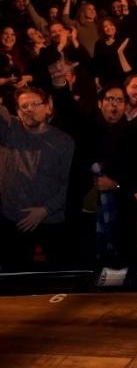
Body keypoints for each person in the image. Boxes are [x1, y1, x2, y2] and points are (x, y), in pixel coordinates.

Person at [0, 86, 75, 270]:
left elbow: (70, 185)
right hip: (12, 220)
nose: (29, 109)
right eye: (24, 106)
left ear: (48, 107)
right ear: (17, 111)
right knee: (14, 281)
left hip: (50, 220)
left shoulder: (64, 142)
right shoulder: (9, 129)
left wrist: (45, 210)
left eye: (35, 104)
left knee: (58, 279)